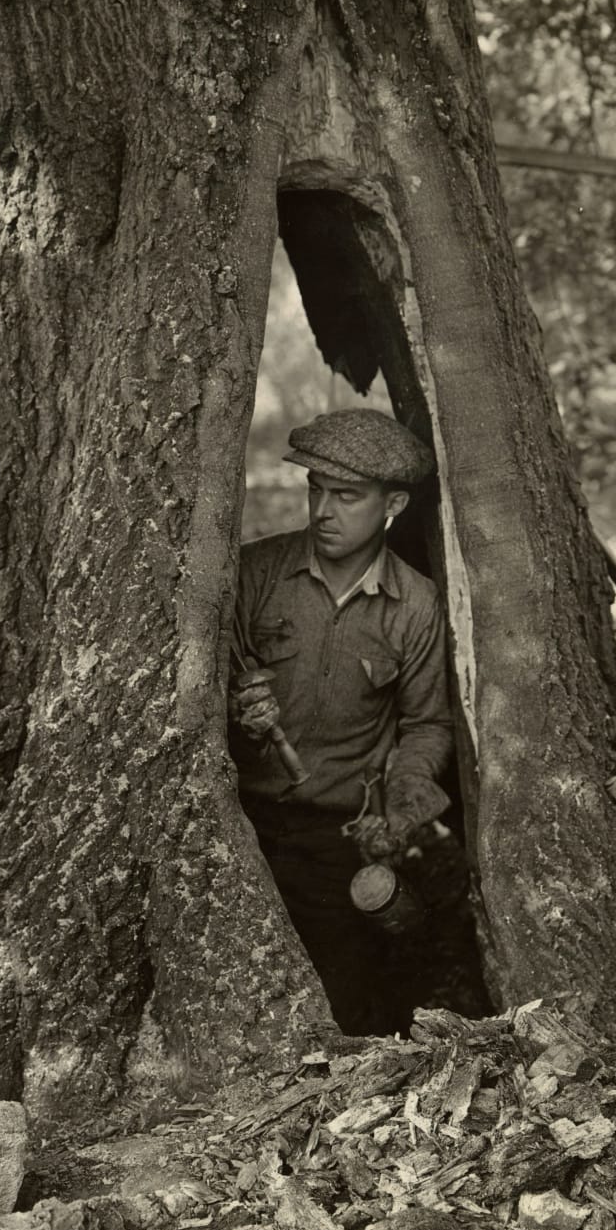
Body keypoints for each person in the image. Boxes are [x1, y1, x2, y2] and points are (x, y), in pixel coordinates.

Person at [229, 408, 454, 1035]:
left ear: (393, 504)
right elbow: (203, 684)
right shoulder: (256, 575)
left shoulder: (415, 606)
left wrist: (402, 810)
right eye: (316, 490)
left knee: (345, 1008)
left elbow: (427, 724)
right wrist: (236, 710)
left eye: (347, 496)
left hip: (336, 838)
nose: (324, 511)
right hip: (235, 824)